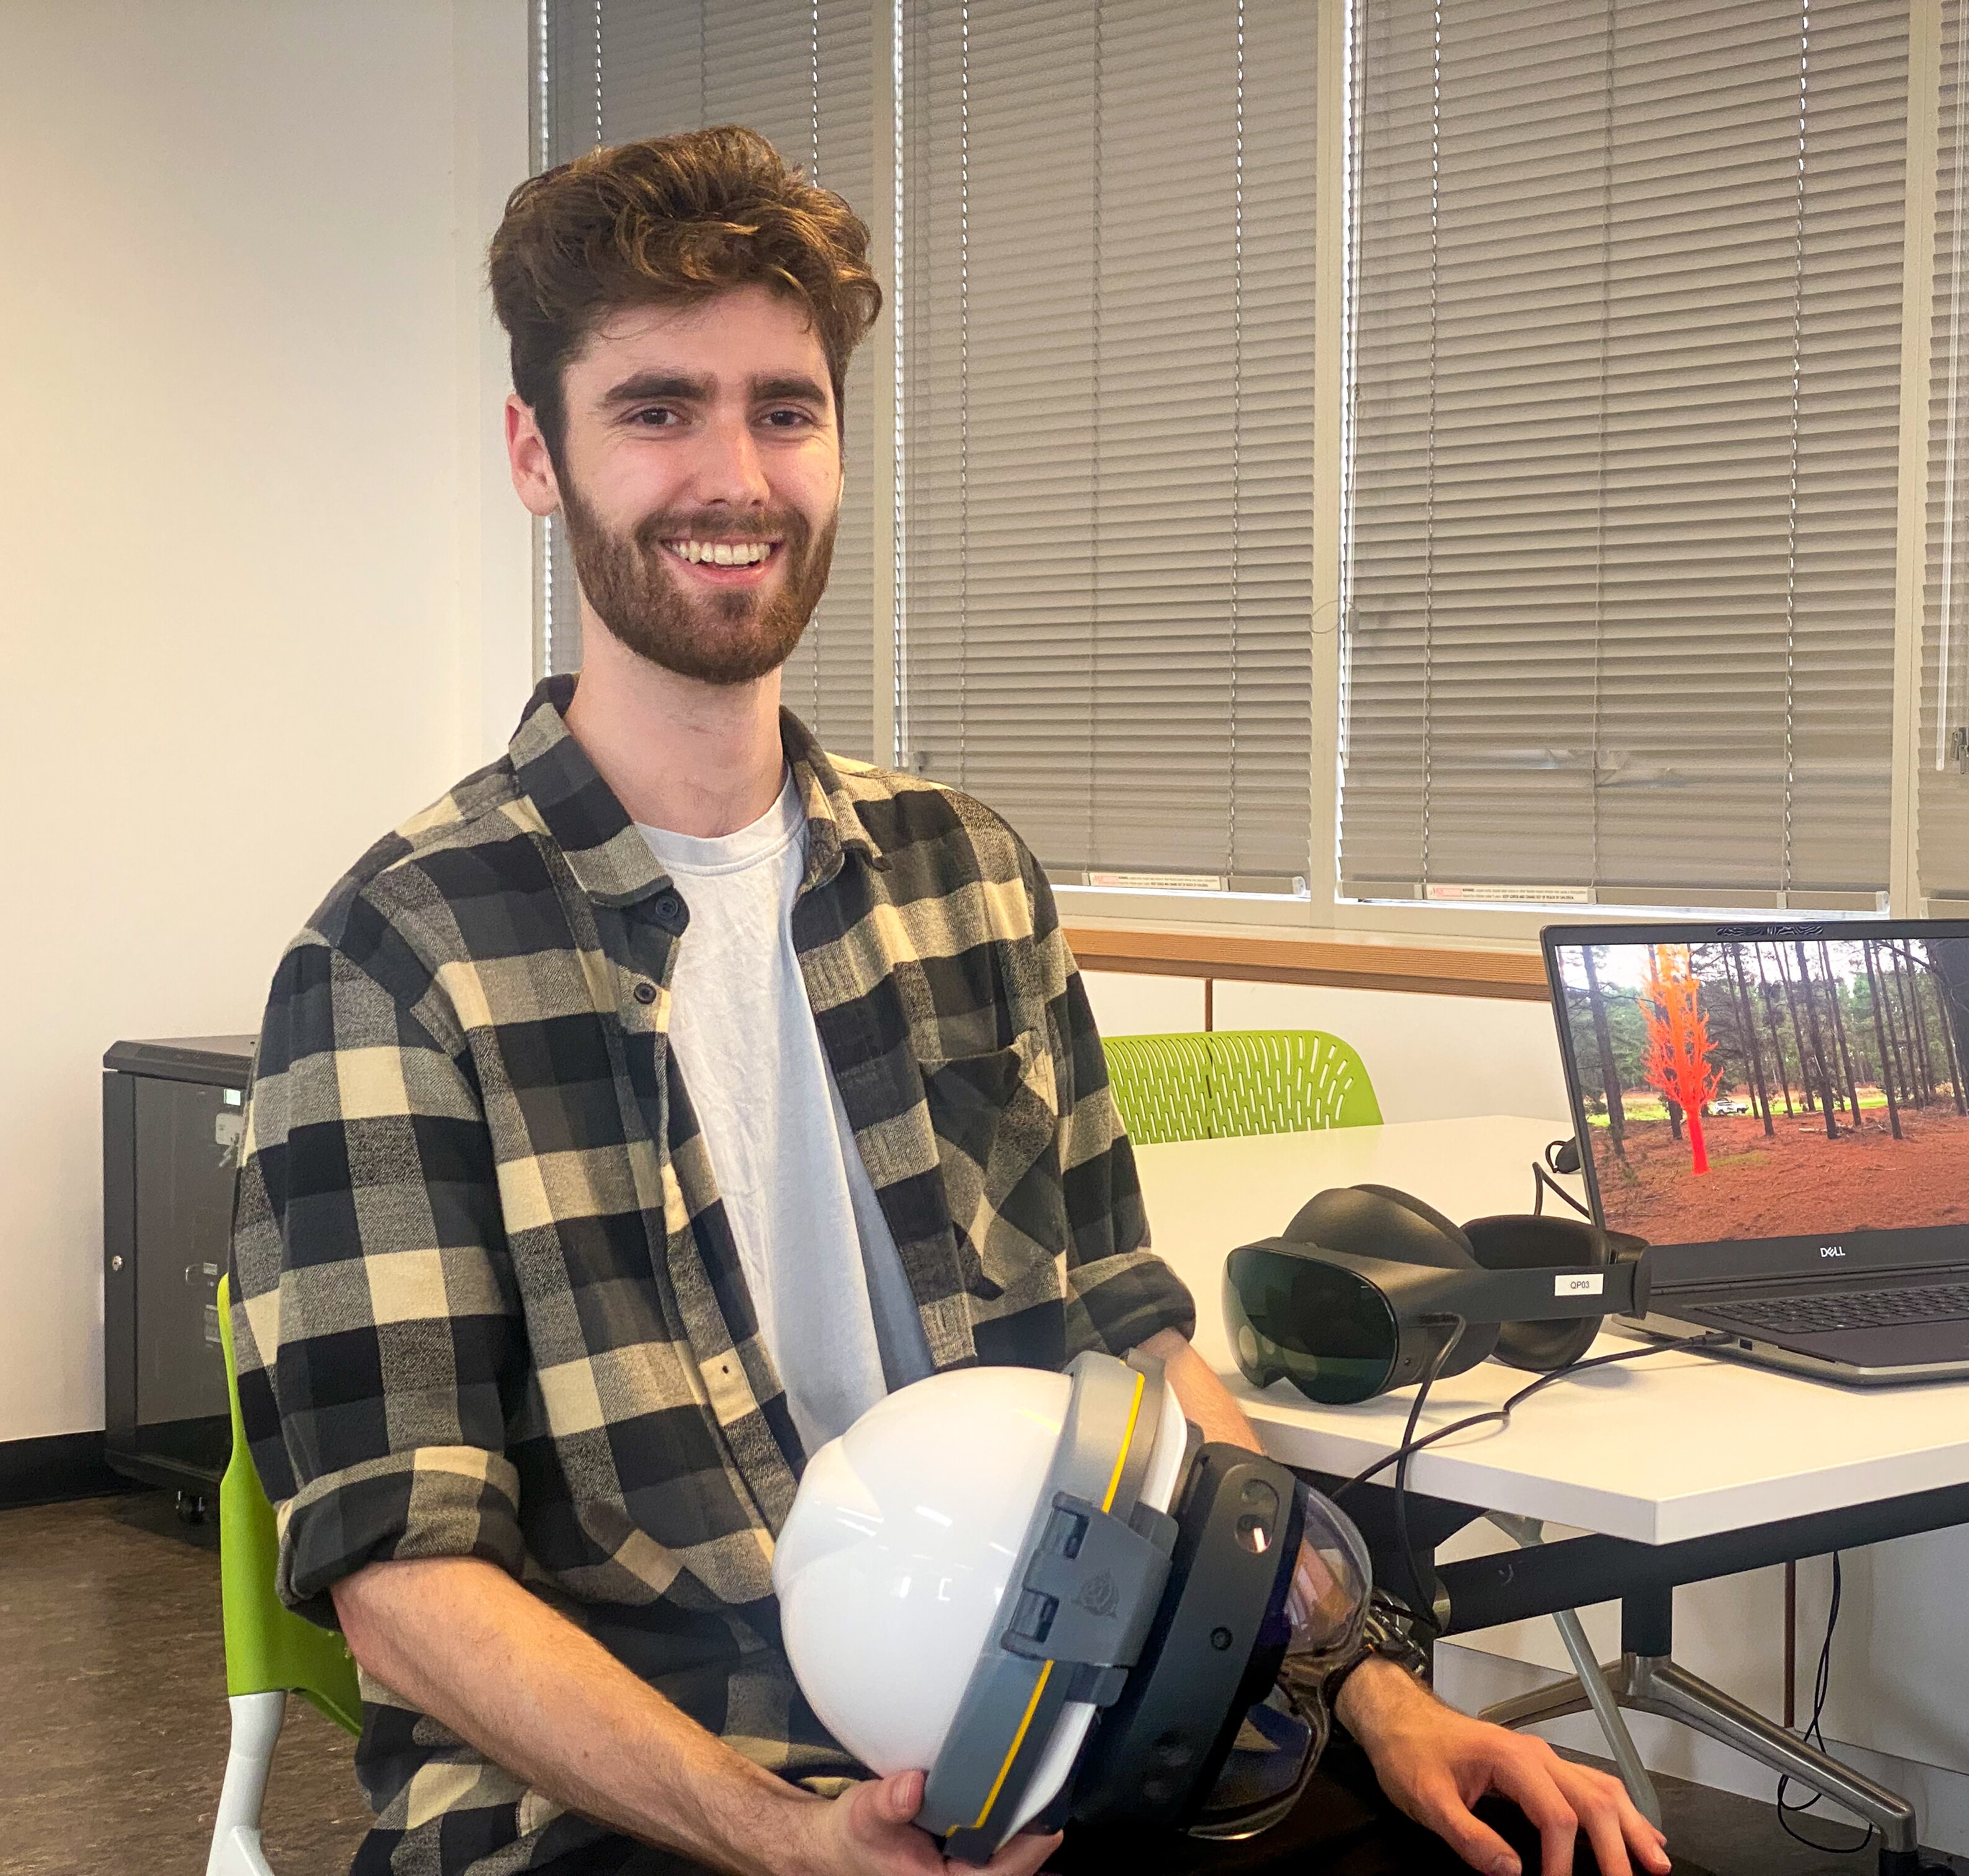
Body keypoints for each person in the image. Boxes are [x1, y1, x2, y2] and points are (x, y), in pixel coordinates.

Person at [231, 125, 1671, 1876]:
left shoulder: (963, 878)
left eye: (784, 408)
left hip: (1062, 1719)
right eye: (658, 409)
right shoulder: (397, 961)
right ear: (538, 453)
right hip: (645, 1792)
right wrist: (775, 1833)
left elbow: (1136, 1351)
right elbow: (405, 1582)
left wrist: (1369, 1686)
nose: (733, 474)